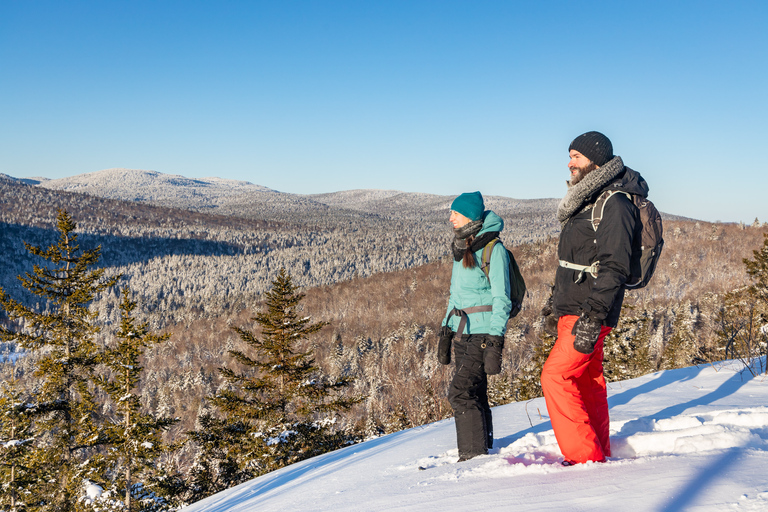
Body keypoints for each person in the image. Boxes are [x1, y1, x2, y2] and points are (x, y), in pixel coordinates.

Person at [540, 131, 647, 465]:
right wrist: (554, 302)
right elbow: (576, 259)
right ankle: (598, 449)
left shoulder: (613, 203)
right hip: (574, 307)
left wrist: (592, 316)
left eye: (576, 156)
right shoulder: (589, 199)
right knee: (588, 381)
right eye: (570, 156)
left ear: (596, 160)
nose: (570, 163)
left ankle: (585, 459)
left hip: (588, 310)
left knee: (555, 376)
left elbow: (615, 266)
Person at [438, 191, 512, 461]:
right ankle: (485, 449)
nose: (450, 218)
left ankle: (472, 456)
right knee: (476, 391)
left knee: (460, 393)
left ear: (469, 215)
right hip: (462, 333)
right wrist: (446, 330)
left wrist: (495, 341)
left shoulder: (494, 249)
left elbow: (501, 298)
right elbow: (455, 295)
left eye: (455, 213)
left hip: (481, 332)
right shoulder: (463, 248)